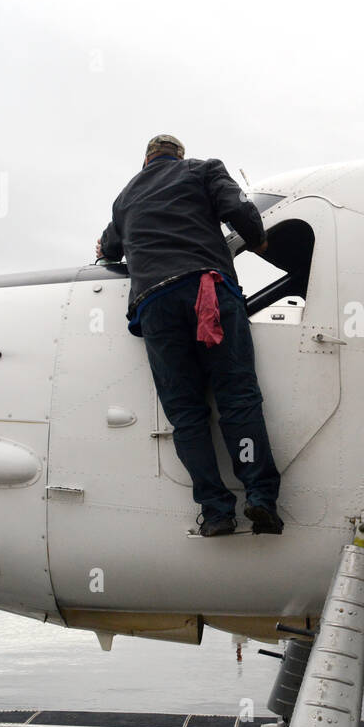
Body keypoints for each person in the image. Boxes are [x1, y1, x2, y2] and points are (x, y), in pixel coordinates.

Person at [96, 134, 282, 537]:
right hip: (206, 292)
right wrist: (258, 239)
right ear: (178, 155)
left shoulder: (125, 199)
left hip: (154, 304)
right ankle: (260, 498)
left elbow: (109, 248)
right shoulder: (203, 169)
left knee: (186, 415)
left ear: (146, 160)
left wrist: (107, 248)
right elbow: (237, 209)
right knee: (237, 398)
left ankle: (216, 512)